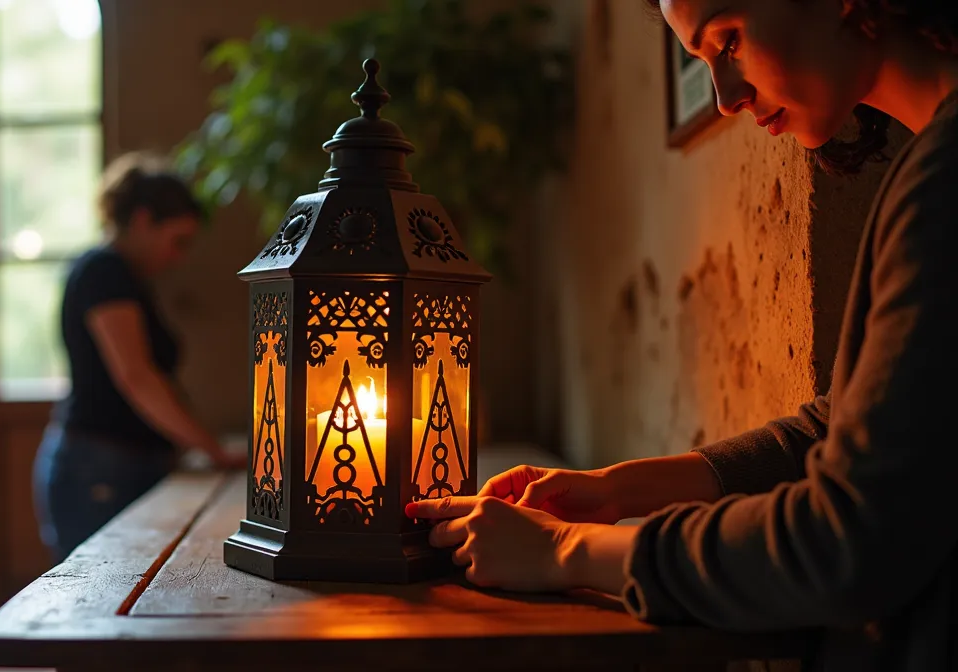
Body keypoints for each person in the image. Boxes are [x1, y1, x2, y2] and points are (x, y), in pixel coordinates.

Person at [405, 0, 958, 668]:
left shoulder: (942, 184)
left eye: (729, 41)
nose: (725, 97)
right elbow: (847, 424)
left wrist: (563, 551)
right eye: (704, 60)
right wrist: (616, 490)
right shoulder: (928, 167)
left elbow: (850, 543)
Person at [34, 152, 245, 563]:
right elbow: (137, 376)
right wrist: (212, 450)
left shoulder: (123, 277)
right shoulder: (104, 271)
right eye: (177, 241)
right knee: (99, 588)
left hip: (113, 463)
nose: (178, 257)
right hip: (99, 467)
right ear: (144, 220)